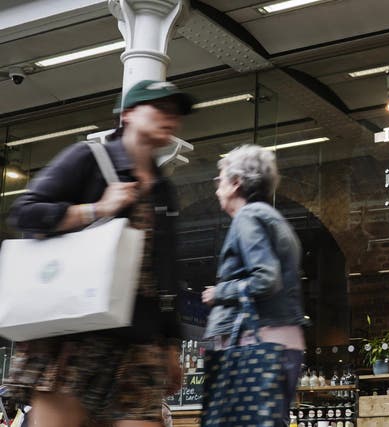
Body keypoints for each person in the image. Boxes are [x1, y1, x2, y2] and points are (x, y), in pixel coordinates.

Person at [6, 80, 194, 427]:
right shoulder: (88, 158)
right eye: (160, 108)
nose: (171, 118)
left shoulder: (164, 189)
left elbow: (165, 272)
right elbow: (25, 212)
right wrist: (96, 209)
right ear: (128, 114)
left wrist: (171, 344)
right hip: (76, 334)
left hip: (141, 341)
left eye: (177, 113)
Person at [201, 144, 306, 426]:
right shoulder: (274, 220)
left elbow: (266, 278)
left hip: (255, 341)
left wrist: (219, 292)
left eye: (220, 180)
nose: (216, 188)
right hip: (282, 340)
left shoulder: (248, 218)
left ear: (236, 183)